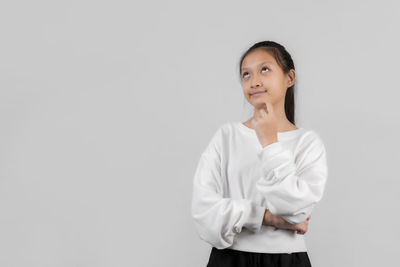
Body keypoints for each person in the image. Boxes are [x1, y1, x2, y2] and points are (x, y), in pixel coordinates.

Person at [190, 40, 328, 267]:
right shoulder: (227, 137)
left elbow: (296, 213)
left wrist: (270, 142)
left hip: (287, 262)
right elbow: (203, 213)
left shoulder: (307, 143)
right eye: (246, 74)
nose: (254, 81)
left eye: (264, 69)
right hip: (229, 260)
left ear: (289, 78)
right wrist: (266, 217)